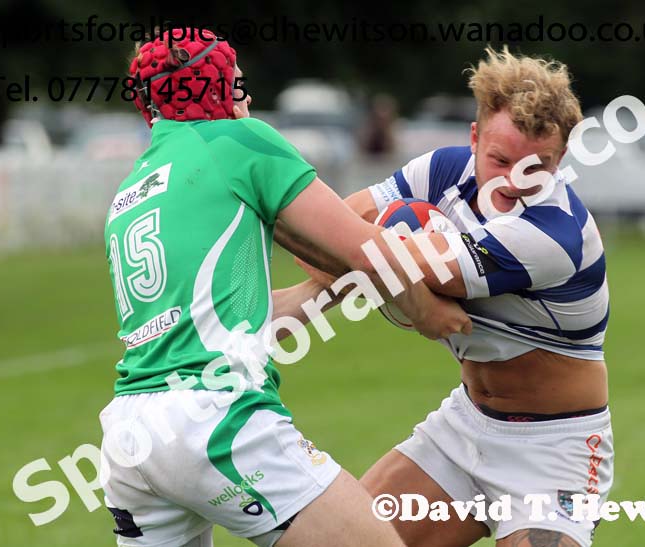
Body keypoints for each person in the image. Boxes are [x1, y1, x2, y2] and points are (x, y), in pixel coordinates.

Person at [101, 27, 471, 547]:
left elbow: (240, 320)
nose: (245, 96)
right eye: (236, 82)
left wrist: (338, 287)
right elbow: (364, 247)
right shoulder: (237, 141)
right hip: (213, 417)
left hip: (132, 437)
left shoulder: (134, 187)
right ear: (212, 87)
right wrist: (425, 311)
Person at [277, 46, 613, 547]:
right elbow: (321, 237)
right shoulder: (440, 171)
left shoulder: (553, 234)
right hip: (462, 429)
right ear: (474, 138)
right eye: (499, 160)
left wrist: (354, 274)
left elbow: (368, 252)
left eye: (536, 168)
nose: (511, 184)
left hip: (553, 451)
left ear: (561, 158)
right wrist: (339, 280)